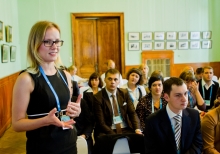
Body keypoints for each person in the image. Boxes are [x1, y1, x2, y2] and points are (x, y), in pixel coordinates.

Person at [12, 21, 81, 154]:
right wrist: (45, 121)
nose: (54, 46)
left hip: (69, 142)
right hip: (43, 147)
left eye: (57, 41)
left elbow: (66, 110)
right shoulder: (26, 79)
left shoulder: (65, 75)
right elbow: (16, 124)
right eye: (48, 42)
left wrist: (75, 111)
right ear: (35, 44)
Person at [144, 77, 203, 154]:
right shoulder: (152, 121)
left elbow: (197, 145)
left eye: (185, 93)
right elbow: (151, 151)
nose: (184, 99)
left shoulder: (194, 115)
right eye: (178, 95)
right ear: (166, 97)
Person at [93, 68, 142, 139]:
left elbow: (132, 113)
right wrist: (117, 136)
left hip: (125, 128)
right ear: (105, 80)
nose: (112, 82)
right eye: (110, 79)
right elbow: (101, 123)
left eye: (115, 79)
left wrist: (137, 129)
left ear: (119, 81)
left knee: (139, 140)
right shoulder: (98, 97)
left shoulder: (124, 93)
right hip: (107, 130)